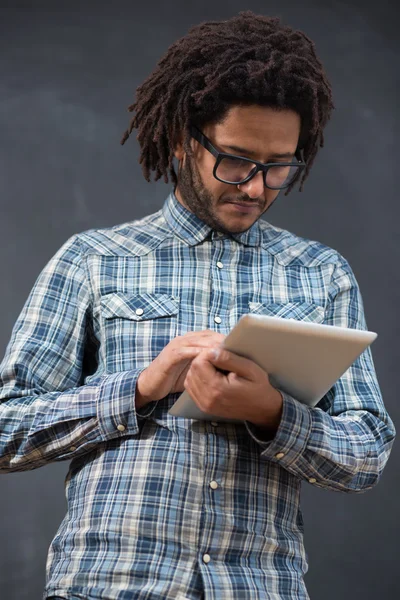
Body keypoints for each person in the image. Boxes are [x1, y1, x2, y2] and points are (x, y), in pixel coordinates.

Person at [0, 11, 395, 600]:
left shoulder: (323, 274)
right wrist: (139, 389)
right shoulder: (92, 259)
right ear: (186, 141)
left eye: (278, 167)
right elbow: (6, 428)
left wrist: (272, 413)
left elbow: (367, 452)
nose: (256, 187)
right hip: (108, 588)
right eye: (235, 160)